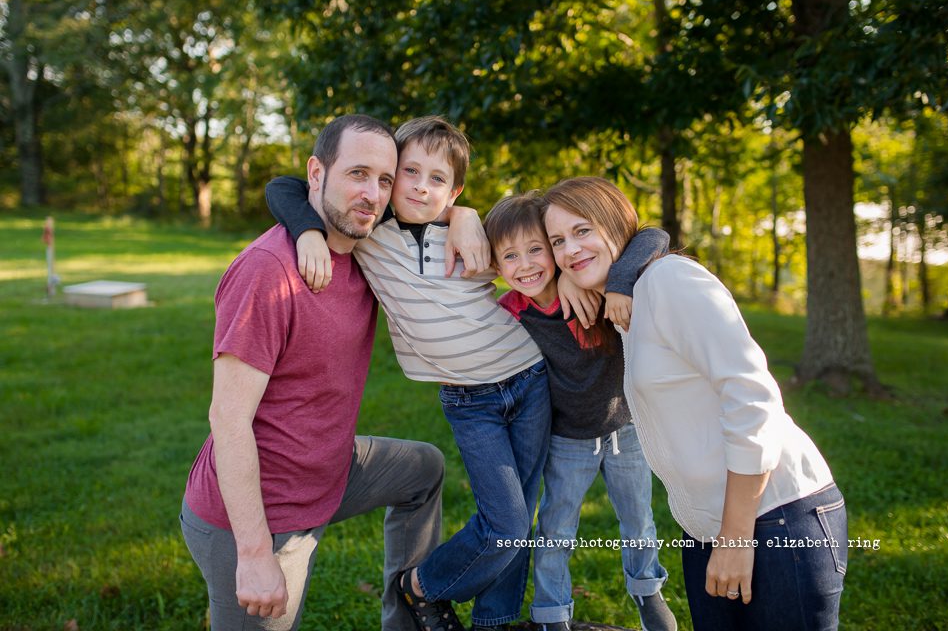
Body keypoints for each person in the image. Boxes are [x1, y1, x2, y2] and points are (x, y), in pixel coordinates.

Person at [180, 114, 485, 631]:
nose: (373, 193)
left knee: (423, 470)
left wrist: (466, 215)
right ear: (315, 174)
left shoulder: (367, 248)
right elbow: (227, 420)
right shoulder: (268, 274)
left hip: (331, 470)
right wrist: (255, 555)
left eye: (385, 180)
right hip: (260, 515)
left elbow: (436, 202)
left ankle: (410, 613)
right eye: (357, 174)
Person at [265, 116, 564, 631]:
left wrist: (468, 217)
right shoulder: (369, 232)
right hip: (472, 402)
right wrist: (309, 232)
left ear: (456, 190)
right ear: (391, 175)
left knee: (523, 514)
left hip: (530, 378)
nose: (422, 187)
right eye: (410, 172)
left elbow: (538, 260)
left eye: (439, 179)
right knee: (508, 523)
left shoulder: (473, 234)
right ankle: (421, 585)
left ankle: (495, 622)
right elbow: (285, 187)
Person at [541, 176, 847, 631]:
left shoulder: (670, 281)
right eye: (558, 241)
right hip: (707, 529)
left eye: (582, 230)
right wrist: (571, 280)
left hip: (773, 517)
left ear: (616, 222)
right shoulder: (626, 301)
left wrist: (736, 538)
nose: (569, 250)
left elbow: (752, 397)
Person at [483, 193, 677, 631]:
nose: (527, 264)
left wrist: (621, 283)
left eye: (537, 249)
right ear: (497, 266)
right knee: (555, 529)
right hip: (567, 438)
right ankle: (552, 613)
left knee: (638, 518)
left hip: (624, 429)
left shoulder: (594, 287)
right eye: (510, 256)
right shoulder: (509, 313)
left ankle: (647, 590)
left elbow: (654, 236)